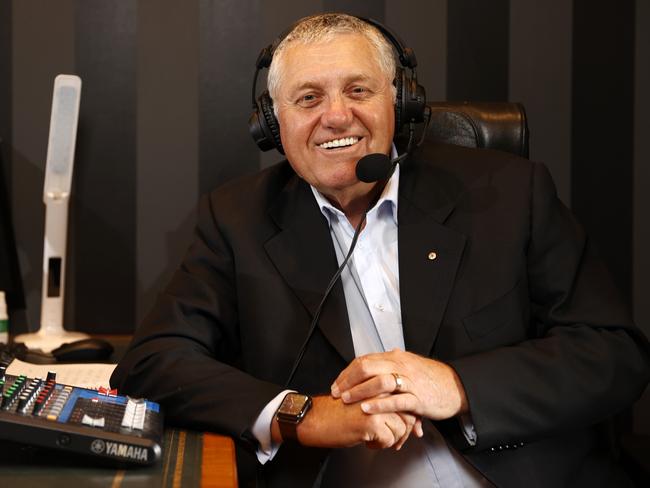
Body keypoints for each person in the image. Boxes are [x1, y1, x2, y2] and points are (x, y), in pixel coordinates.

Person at [111, 13, 650, 487]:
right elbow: (153, 362)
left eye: (358, 90)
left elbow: (611, 354)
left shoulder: (510, 194)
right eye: (308, 98)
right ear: (274, 124)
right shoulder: (236, 219)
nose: (337, 116)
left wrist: (459, 386)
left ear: (402, 101)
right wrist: (304, 414)